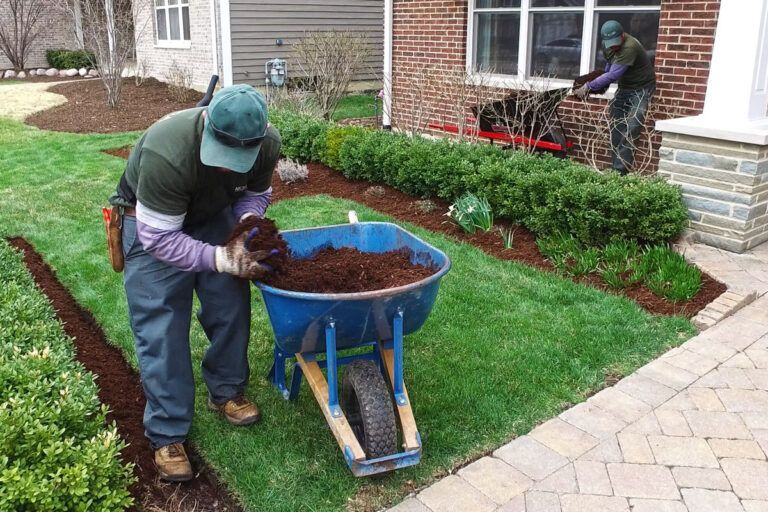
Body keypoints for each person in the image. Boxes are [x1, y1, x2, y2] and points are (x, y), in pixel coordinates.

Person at [109, 84, 281, 482]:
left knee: (230, 303)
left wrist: (243, 229)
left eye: (240, 159)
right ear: (206, 126)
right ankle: (168, 432)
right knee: (163, 325)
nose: (229, 168)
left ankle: (226, 390)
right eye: (223, 157)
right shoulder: (166, 150)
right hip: (153, 221)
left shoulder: (268, 144)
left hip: (213, 215)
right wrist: (219, 258)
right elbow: (160, 238)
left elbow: (257, 194)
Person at [574, 20, 656, 175]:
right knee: (616, 123)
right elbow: (608, 67)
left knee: (632, 125)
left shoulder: (630, 47)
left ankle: (620, 171)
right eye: (610, 43)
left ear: (622, 35)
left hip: (642, 89)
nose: (614, 46)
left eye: (616, 42)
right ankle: (616, 166)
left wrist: (588, 86)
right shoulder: (608, 46)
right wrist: (598, 82)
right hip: (625, 87)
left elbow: (614, 74)